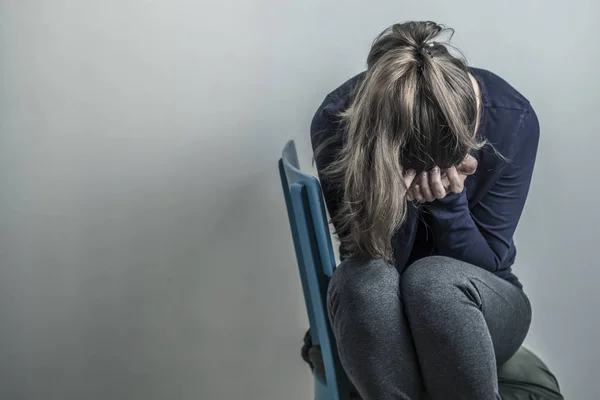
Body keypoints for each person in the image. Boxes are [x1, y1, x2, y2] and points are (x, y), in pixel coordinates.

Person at [310, 21, 538, 400]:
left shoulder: (513, 118)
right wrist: (391, 204)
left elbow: (492, 262)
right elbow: (362, 256)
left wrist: (449, 202)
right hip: (382, 302)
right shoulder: (339, 122)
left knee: (434, 283)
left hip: (480, 300)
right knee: (360, 280)